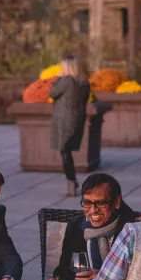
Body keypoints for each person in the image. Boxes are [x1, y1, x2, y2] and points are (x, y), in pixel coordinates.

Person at [39, 173, 138, 280]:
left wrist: (102, 278)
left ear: (117, 202)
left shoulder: (131, 229)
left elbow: (140, 279)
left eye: (100, 203)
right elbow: (64, 269)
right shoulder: (77, 226)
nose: (92, 211)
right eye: (87, 203)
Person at [50, 54, 91, 196]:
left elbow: (52, 92)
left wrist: (58, 78)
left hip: (64, 120)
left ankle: (71, 181)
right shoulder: (84, 82)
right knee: (66, 150)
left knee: (64, 150)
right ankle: (72, 181)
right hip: (76, 119)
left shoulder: (66, 80)